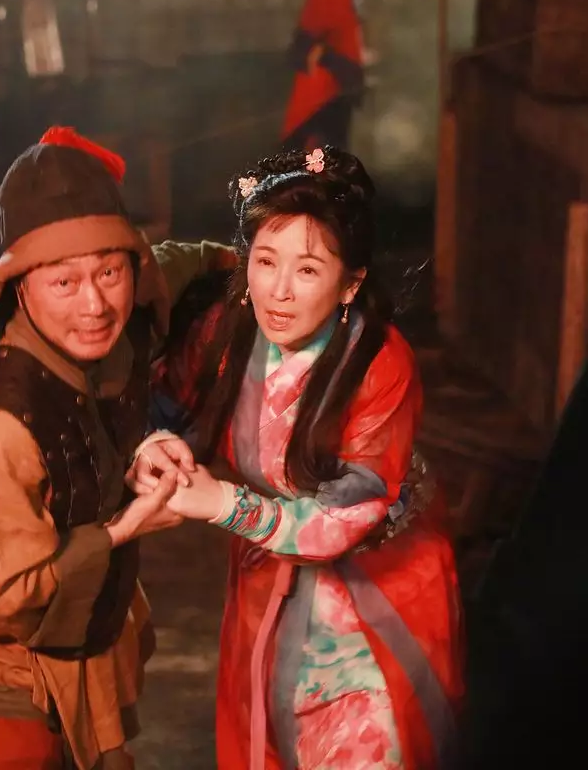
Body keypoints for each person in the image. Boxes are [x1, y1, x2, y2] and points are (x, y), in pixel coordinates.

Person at [0, 126, 236, 770]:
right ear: (20, 284)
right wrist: (124, 527)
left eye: (109, 271)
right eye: (64, 283)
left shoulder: (132, 298)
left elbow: (202, 262)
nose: (94, 304)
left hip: (82, 644)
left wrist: (285, 275)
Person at [130, 145, 464, 769]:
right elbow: (161, 407)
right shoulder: (224, 332)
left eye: (308, 269)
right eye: (265, 262)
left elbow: (344, 517)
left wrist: (225, 502)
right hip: (271, 588)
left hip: (375, 601)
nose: (279, 292)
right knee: (270, 737)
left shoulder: (378, 363)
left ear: (350, 283)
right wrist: (154, 447)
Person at [281, 0, 366, 152]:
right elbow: (318, 21)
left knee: (332, 140)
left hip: (338, 75)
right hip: (325, 78)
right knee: (318, 140)